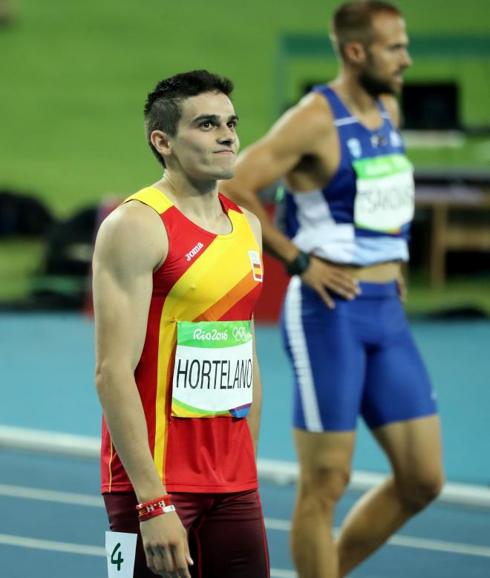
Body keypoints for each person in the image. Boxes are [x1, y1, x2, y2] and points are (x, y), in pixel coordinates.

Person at [221, 2, 444, 577]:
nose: (407, 59)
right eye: (395, 48)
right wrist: (298, 259)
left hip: (386, 314)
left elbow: (382, 200)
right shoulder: (315, 119)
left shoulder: (388, 109)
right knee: (327, 481)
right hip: (329, 310)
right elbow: (240, 183)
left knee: (422, 478)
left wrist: (393, 259)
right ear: (355, 51)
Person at [92, 70, 270, 578]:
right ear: (163, 141)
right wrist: (152, 502)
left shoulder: (247, 226)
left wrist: (245, 470)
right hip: (157, 484)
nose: (228, 136)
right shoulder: (137, 226)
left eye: (231, 123)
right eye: (208, 124)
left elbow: (244, 356)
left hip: (233, 485)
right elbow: (111, 372)